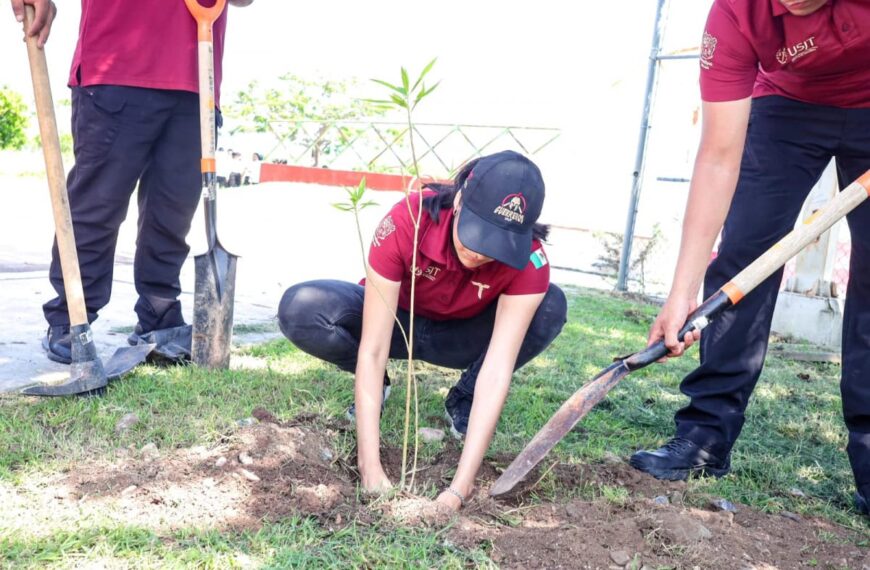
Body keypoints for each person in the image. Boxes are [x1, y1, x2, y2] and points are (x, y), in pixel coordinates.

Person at [629, 0, 870, 518]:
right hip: (787, 109)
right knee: (744, 260)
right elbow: (718, 157)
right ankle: (703, 438)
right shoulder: (735, 15)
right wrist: (680, 295)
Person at [278, 150, 567, 510]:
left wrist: (459, 489)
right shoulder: (408, 219)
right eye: (476, 236)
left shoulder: (531, 260)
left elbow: (497, 371)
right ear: (460, 199)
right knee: (303, 307)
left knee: (551, 306)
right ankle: (377, 387)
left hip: (460, 336)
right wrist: (371, 470)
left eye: (496, 245)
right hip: (397, 321)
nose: (479, 254)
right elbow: (373, 347)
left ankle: (463, 397)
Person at [12, 0, 254, 366]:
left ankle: (159, 312)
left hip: (196, 76)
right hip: (117, 62)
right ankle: (71, 316)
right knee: (98, 206)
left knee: (174, 210)